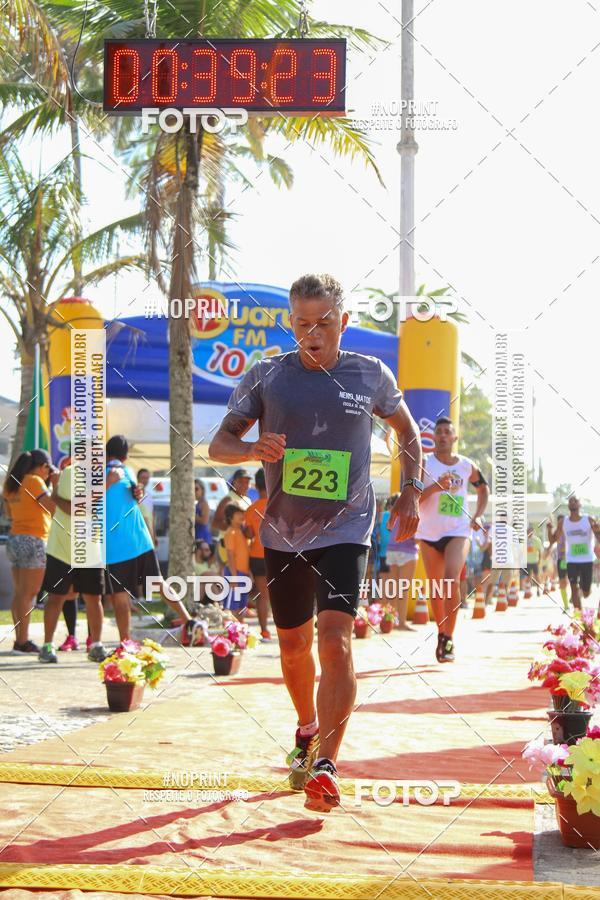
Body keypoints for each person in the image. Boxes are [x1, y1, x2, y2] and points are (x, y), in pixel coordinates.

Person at [208, 272, 421, 813]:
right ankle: (306, 725)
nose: (312, 333)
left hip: (347, 528)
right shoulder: (268, 376)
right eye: (302, 324)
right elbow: (219, 444)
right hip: (283, 533)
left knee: (335, 638)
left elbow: (408, 431)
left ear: (343, 323)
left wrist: (411, 492)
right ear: (292, 324)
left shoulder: (369, 373)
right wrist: (254, 447)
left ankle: (327, 764)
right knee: (294, 646)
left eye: (323, 323)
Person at [104, 435, 199, 642]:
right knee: (158, 583)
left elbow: (88, 503)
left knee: (120, 595)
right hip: (138, 538)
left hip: (116, 545)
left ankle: (125, 643)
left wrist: (125, 489)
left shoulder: (109, 473)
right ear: (126, 455)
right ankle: (188, 620)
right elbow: (131, 495)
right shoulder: (125, 470)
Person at [416, 417, 489, 663]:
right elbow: (413, 498)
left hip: (458, 531)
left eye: (448, 432)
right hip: (428, 534)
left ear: (455, 437)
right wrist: (436, 487)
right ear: (434, 437)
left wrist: (478, 515)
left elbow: (483, 489)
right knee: (436, 589)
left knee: (450, 580)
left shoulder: (467, 466)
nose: (444, 435)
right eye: (440, 432)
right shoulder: (424, 463)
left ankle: (449, 638)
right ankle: (441, 633)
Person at [38, 464, 108, 663]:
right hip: (62, 548)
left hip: (90, 549)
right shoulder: (69, 474)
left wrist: (55, 494)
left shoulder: (97, 476)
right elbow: (76, 508)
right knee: (56, 599)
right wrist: (56, 494)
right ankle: (47, 646)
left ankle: (96, 645)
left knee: (94, 599)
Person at [3, 450, 58, 653]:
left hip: (15, 539)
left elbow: (9, 513)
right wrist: (56, 484)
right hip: (34, 539)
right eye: (48, 470)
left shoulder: (11, 484)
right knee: (29, 594)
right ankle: (23, 641)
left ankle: (19, 638)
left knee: (20, 594)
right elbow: (52, 508)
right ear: (43, 466)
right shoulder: (35, 481)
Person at [551, 496, 600, 611]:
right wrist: (549, 530)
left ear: (579, 505)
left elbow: (598, 536)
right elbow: (554, 539)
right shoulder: (563, 522)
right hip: (571, 559)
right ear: (568, 506)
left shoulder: (588, 519)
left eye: (575, 501)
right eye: (570, 501)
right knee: (573, 588)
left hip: (587, 559)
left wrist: (598, 530)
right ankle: (579, 617)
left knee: (586, 592)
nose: (573, 503)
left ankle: (583, 591)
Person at [245, 468, 271, 640]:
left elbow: (249, 535)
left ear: (256, 485)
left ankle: (264, 631)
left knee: (263, 595)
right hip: (276, 554)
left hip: (256, 556)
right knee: (283, 593)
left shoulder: (251, 509)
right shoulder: (277, 505)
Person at [385, 494, 418, 630]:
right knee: (403, 590)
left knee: (392, 590)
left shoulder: (390, 515)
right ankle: (402, 623)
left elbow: (388, 530)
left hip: (391, 550)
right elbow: (416, 537)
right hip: (408, 551)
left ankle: (390, 621)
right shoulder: (412, 514)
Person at [223, 504, 251, 621]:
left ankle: (241, 633)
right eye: (238, 514)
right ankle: (232, 632)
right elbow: (230, 555)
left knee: (242, 606)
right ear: (230, 517)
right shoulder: (230, 532)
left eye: (242, 513)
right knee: (232, 607)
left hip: (243, 574)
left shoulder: (242, 532)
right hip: (234, 574)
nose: (242, 516)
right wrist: (234, 576)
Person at [548, 514, 569, 609]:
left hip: (571, 559)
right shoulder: (557, 532)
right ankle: (566, 605)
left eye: (563, 521)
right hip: (561, 560)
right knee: (562, 581)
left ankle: (574, 596)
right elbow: (551, 540)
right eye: (560, 522)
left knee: (573, 581)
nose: (561, 524)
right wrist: (549, 530)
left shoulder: (570, 530)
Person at [137, 468, 156, 545]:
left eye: (147, 478)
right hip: (139, 535)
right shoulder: (134, 496)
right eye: (143, 478)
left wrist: (154, 535)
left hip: (149, 534)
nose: (145, 480)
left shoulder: (149, 496)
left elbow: (152, 516)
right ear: (137, 478)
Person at [524, 526, 543, 596]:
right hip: (527, 561)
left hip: (535, 561)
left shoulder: (537, 540)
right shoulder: (525, 540)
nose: (529, 533)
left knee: (537, 576)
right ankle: (528, 591)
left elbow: (540, 551)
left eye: (531, 531)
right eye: (528, 531)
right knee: (528, 577)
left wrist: (539, 560)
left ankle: (538, 590)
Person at [194, 479, 212, 546]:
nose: (194, 492)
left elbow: (204, 521)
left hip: (203, 537)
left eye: (196, 489)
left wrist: (192, 515)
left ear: (202, 490)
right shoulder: (198, 503)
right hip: (197, 535)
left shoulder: (204, 503)